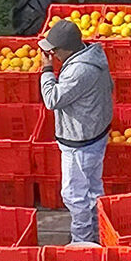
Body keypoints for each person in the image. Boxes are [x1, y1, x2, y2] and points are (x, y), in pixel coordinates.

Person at [39, 19, 114, 244]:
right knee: (92, 188)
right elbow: (109, 86)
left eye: (55, 50)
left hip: (80, 142)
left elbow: (52, 99)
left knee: (74, 195)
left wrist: (46, 70)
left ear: (67, 49)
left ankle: (82, 241)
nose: (52, 53)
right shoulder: (93, 56)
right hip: (95, 134)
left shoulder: (79, 71)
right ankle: (98, 234)